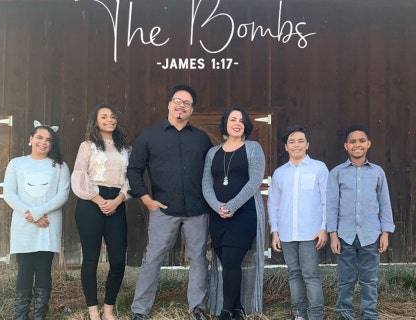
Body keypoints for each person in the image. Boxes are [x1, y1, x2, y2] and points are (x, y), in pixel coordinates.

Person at [127, 84, 213, 320]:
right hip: (163, 209)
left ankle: (196, 308)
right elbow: (134, 169)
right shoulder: (149, 137)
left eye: (187, 103)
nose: (181, 106)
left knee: (198, 259)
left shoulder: (202, 139)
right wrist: (146, 199)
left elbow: (212, 172)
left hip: (197, 210)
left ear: (192, 110)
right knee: (153, 258)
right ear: (169, 104)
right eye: (178, 100)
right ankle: (140, 309)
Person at [202, 106, 266, 320]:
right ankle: (238, 309)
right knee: (227, 261)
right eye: (233, 119)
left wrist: (232, 205)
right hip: (218, 215)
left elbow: (255, 180)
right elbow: (206, 183)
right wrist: (217, 206)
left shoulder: (253, 148)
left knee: (231, 259)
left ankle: (226, 311)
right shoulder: (213, 153)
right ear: (225, 124)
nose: (237, 123)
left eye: (241, 120)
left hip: (243, 213)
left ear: (246, 125)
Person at [327, 124, 395, 320]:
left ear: (369, 144)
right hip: (345, 235)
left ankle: (369, 315)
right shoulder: (337, 173)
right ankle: (345, 315)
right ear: (346, 146)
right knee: (345, 280)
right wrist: (333, 235)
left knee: (369, 280)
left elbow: (384, 203)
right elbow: (332, 206)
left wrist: (385, 233)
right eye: (353, 141)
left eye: (362, 141)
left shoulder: (377, 172)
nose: (357, 145)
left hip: (371, 235)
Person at [3, 121, 71, 320]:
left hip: (48, 224)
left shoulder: (59, 165)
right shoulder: (17, 163)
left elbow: (63, 195)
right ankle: (21, 315)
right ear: (31, 139)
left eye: (48, 140)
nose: (43, 142)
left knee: (43, 268)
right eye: (39, 138)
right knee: (24, 269)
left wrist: (39, 213)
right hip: (24, 224)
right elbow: (9, 192)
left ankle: (40, 315)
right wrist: (31, 215)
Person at [72, 104, 131, 320]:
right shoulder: (87, 146)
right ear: (95, 121)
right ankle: (93, 311)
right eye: (103, 116)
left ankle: (108, 309)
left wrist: (116, 201)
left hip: (117, 201)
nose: (109, 120)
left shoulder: (125, 148)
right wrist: (99, 200)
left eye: (112, 116)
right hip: (91, 203)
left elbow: (129, 180)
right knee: (91, 259)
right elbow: (79, 175)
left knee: (117, 260)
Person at [267, 125, 328, 320]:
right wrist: (275, 231)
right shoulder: (280, 173)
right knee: (294, 273)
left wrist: (323, 228)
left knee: (310, 274)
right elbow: (273, 204)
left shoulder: (319, 168)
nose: (296, 145)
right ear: (286, 147)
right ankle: (299, 314)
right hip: (286, 233)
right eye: (291, 142)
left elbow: (327, 200)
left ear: (307, 144)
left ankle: (316, 315)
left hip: (311, 233)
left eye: (300, 141)